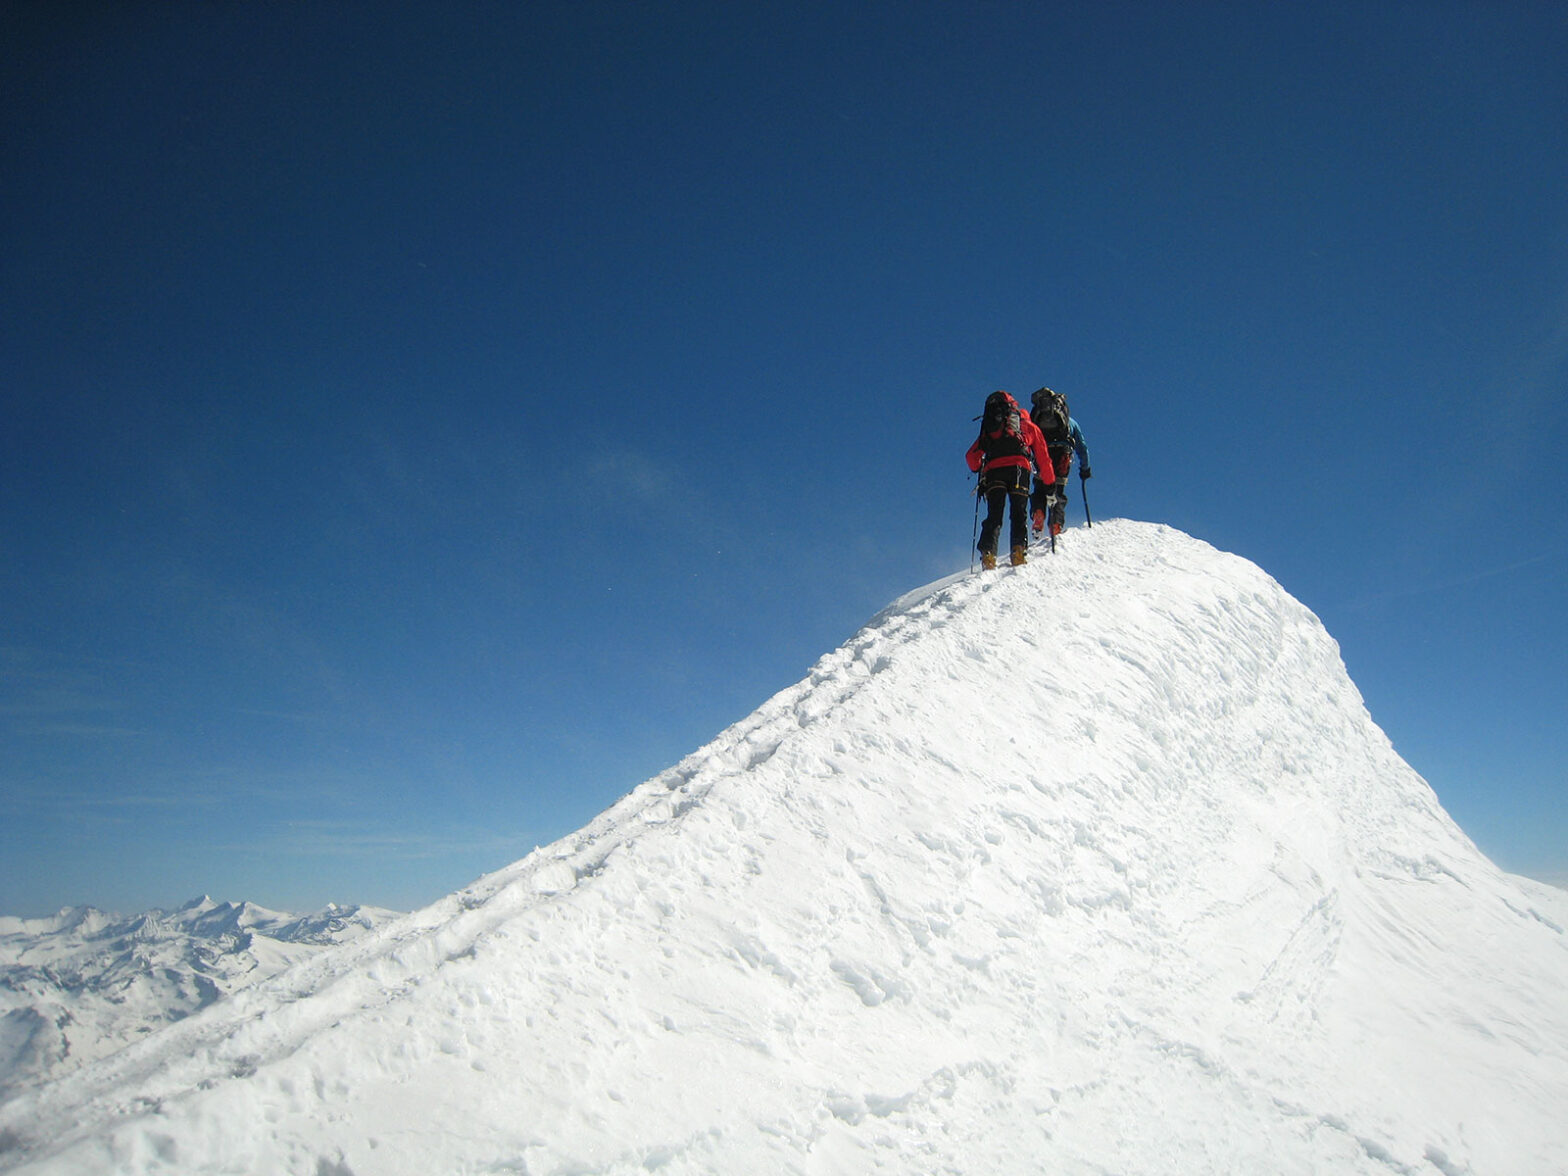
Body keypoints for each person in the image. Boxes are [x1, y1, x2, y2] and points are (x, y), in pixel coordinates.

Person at [966, 390, 1050, 569]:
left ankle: (988, 554)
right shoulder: (1027, 424)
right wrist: (1049, 485)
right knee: (1018, 513)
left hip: (994, 471)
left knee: (994, 514)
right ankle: (1018, 551)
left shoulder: (990, 427)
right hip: (1020, 469)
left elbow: (971, 457)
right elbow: (1043, 457)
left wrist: (979, 468)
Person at [1028, 387, 1091, 539]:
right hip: (1063, 454)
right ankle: (1056, 524)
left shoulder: (1037, 419)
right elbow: (1082, 446)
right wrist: (1085, 468)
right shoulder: (1070, 422)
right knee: (1058, 491)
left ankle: (1038, 512)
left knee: (1039, 488)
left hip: (1042, 455)